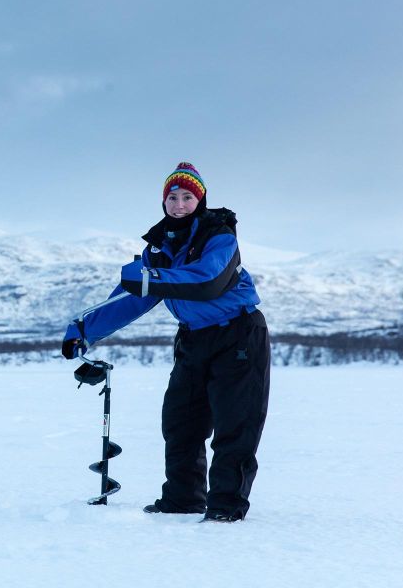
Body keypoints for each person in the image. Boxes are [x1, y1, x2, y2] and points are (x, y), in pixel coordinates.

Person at [61, 162, 270, 522]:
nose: (179, 204)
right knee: (180, 422)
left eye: (187, 197)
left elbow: (208, 281)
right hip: (192, 338)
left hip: (238, 335)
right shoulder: (159, 247)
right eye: (173, 197)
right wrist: (84, 330)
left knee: (235, 425)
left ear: (200, 200)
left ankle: (226, 506)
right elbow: (131, 298)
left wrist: (150, 277)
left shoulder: (219, 236)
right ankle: (183, 499)